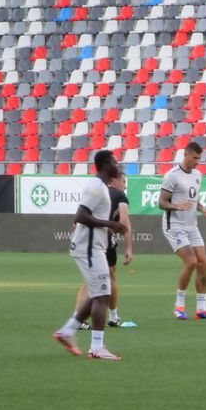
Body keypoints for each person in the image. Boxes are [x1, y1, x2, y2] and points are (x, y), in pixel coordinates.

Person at [53, 150, 126, 360]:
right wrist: (109, 223)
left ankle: (67, 331)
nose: (117, 165)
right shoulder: (95, 186)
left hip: (94, 248)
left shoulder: (101, 187)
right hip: (89, 249)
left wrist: (107, 226)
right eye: (114, 162)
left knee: (98, 294)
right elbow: (81, 216)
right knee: (103, 295)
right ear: (104, 165)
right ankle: (96, 347)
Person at [160, 142, 206, 320]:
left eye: (199, 158)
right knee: (191, 262)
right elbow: (161, 203)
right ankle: (179, 305)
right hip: (174, 225)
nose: (197, 162)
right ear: (185, 155)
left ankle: (201, 309)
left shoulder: (198, 174)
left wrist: (201, 207)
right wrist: (177, 206)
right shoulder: (172, 176)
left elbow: (192, 199)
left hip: (192, 226)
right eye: (195, 158)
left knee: (203, 263)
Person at [75, 171, 133, 328]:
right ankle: (111, 317)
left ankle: (83, 318)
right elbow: (124, 220)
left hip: (84, 239)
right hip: (103, 241)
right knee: (106, 279)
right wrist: (128, 248)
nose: (125, 186)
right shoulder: (120, 196)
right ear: (114, 181)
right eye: (123, 182)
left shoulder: (97, 193)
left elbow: (79, 217)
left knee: (95, 279)